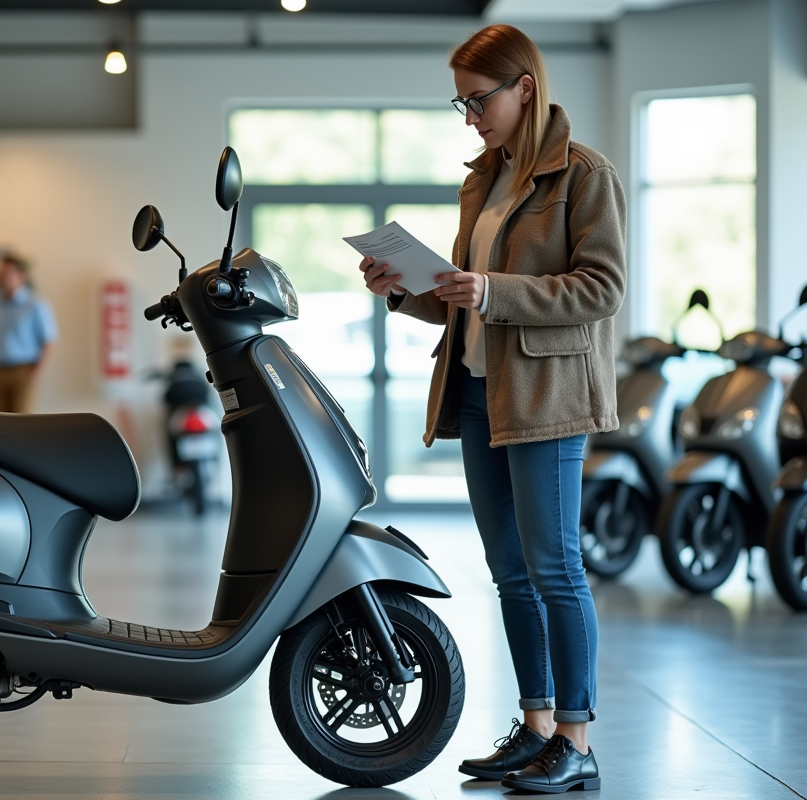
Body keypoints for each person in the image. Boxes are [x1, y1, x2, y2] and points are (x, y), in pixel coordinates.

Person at [360, 24, 625, 793]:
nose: (471, 118)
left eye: (479, 101)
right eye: (462, 104)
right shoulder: (485, 179)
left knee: (555, 568)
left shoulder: (584, 174)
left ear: (526, 88)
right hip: (479, 391)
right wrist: (406, 290)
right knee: (510, 571)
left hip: (547, 396)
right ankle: (537, 728)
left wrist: (492, 292)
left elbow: (602, 290)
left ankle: (576, 739)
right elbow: (464, 302)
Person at [0, 254, 57, 413]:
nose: (2, 278)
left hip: (24, 370)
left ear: (21, 276)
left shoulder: (36, 304)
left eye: (7, 274)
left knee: (22, 424)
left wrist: (37, 373)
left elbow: (49, 341)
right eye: (0, 275)